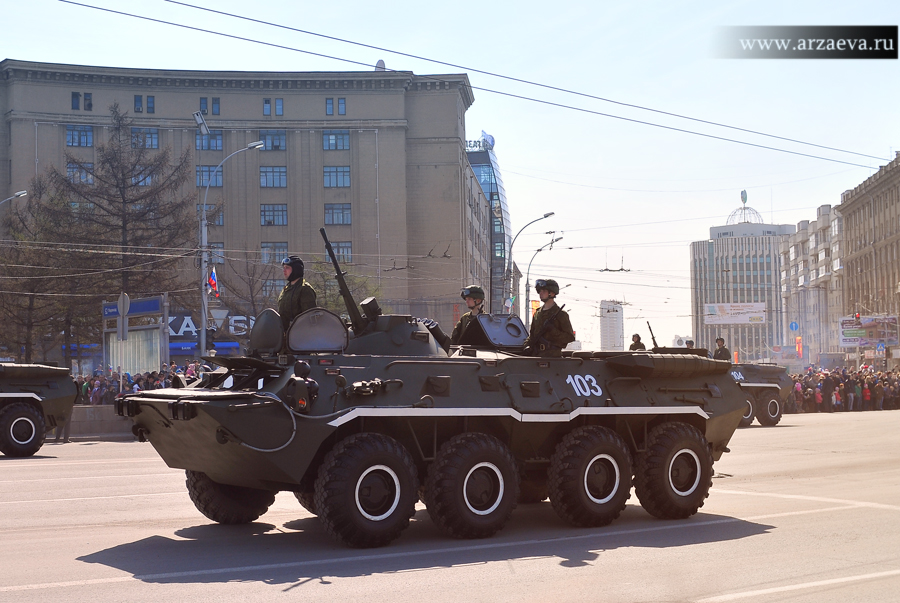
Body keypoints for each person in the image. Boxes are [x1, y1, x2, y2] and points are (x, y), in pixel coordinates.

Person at [523, 278, 575, 357]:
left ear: (552, 293)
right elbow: (532, 335)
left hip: (553, 358)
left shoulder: (561, 314)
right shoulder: (537, 313)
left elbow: (569, 337)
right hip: (536, 355)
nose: (541, 293)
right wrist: (525, 346)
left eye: (544, 291)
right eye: (540, 291)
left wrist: (553, 330)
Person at [277, 255, 317, 331]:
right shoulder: (286, 289)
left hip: (299, 336)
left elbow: (309, 318)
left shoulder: (304, 289)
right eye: (284, 268)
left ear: (296, 269)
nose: (284, 270)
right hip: (284, 335)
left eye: (287, 268)